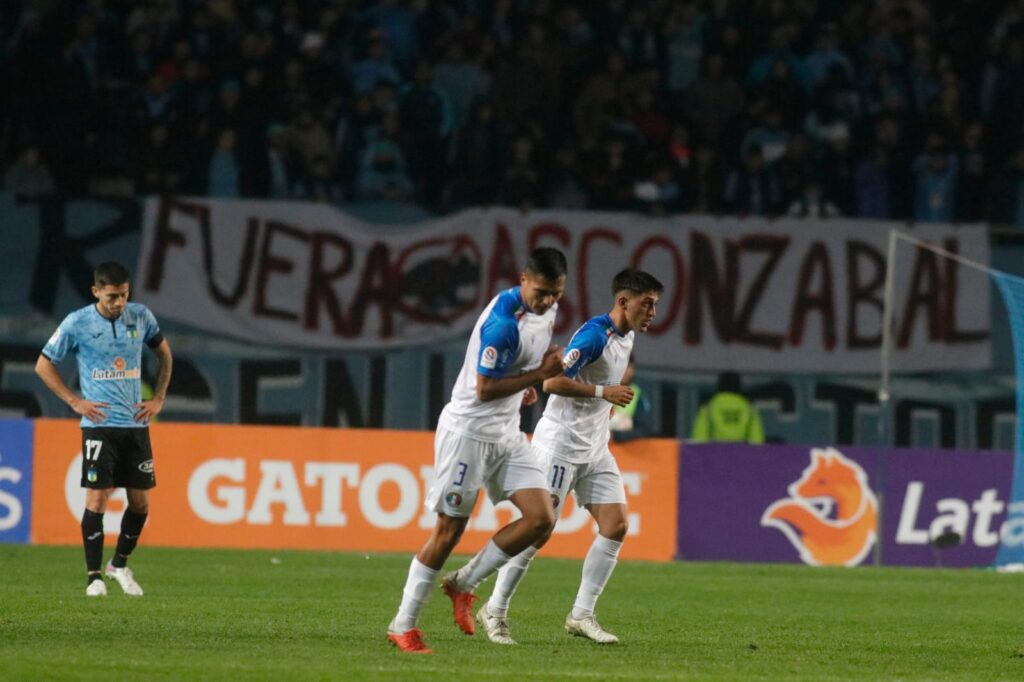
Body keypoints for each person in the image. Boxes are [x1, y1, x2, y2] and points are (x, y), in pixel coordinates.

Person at [386, 248, 568, 654]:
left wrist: (525, 384)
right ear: (523, 279)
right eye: (541, 292)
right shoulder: (503, 325)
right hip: (468, 433)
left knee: (542, 518)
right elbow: (484, 390)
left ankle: (463, 584)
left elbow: (515, 369)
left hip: (505, 431)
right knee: (448, 531)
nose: (548, 302)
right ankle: (403, 625)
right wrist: (538, 375)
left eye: (556, 293)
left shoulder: (545, 311)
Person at [475, 268, 664, 646]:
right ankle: (494, 609)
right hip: (560, 446)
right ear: (623, 302)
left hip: (594, 448)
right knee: (537, 531)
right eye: (648, 304)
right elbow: (550, 382)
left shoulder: (626, 337)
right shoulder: (594, 335)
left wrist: (602, 407)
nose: (652, 313)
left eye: (655, 306)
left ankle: (581, 614)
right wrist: (601, 394)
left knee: (616, 525)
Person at [34, 262, 172, 597]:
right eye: (112, 296)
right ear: (96, 291)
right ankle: (93, 577)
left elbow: (165, 356)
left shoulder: (140, 316)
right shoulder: (77, 322)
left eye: (124, 295)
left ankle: (119, 565)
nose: (119, 303)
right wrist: (74, 401)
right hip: (98, 426)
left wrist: (159, 399)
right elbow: (43, 364)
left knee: (141, 505)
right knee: (97, 498)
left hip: (135, 425)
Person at [690, 371, 764, 443]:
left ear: (719, 385)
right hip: (740, 453)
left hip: (715, 452)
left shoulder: (708, 406)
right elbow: (756, 440)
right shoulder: (749, 407)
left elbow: (699, 439)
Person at [608, 355, 654, 442]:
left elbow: (644, 429)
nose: (626, 371)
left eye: (629, 366)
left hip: (623, 453)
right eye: (622, 366)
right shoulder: (601, 389)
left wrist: (616, 435)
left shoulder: (637, 394)